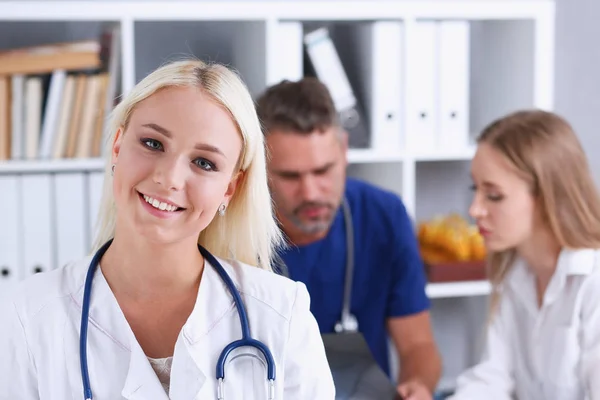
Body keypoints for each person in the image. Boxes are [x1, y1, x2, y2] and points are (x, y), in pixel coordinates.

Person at [0, 60, 336, 399]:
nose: (169, 179)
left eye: (204, 163)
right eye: (153, 143)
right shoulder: (28, 315)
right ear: (117, 146)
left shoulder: (281, 314)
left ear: (229, 189)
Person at [256, 77, 442, 400]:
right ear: (259, 166)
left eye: (323, 170)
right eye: (290, 176)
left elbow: (418, 345)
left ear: (344, 151)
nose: (311, 192)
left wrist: (418, 385)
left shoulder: (384, 215)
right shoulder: (232, 232)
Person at [448, 109, 600, 400]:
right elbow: (492, 378)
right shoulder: (516, 273)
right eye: (475, 189)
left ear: (547, 197)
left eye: (493, 195)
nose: (474, 210)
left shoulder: (593, 283)